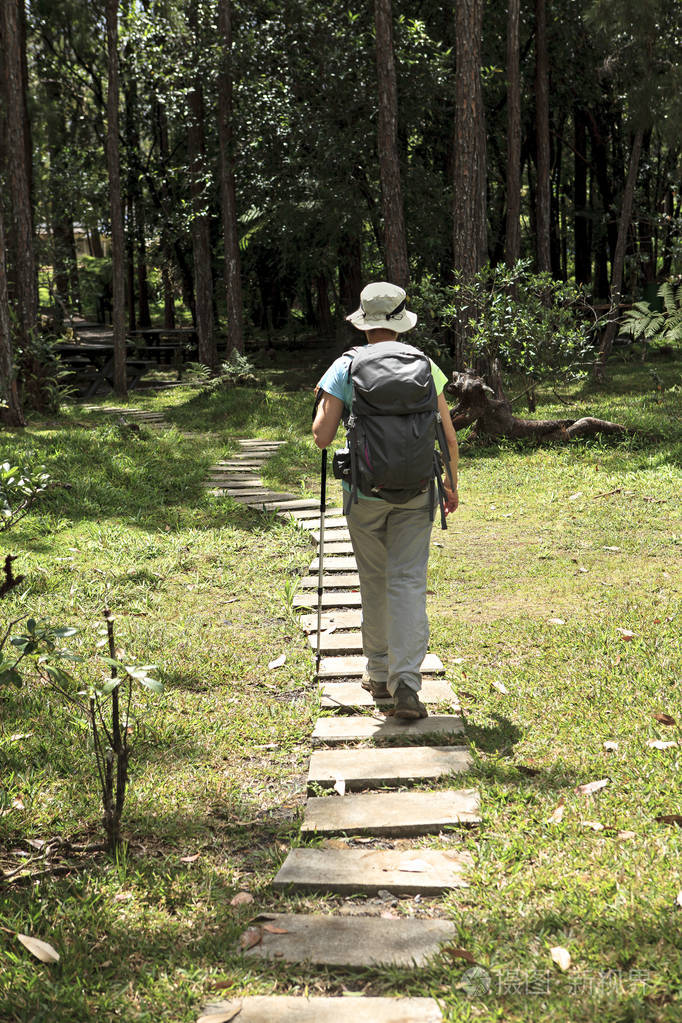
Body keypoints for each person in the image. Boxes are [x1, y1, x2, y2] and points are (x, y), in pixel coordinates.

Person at [312, 282, 459, 720]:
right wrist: (452, 485)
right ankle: (408, 685)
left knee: (374, 581)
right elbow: (448, 434)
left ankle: (377, 673)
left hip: (364, 494)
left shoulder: (346, 366)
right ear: (400, 322)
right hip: (418, 491)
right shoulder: (424, 363)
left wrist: (322, 403)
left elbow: (322, 437)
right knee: (409, 582)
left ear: (364, 322)